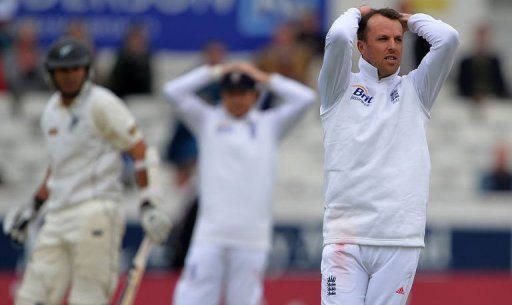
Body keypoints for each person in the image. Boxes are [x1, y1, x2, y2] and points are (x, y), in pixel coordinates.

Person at [2, 37, 172, 305]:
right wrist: (34, 206)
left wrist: (149, 203)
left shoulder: (102, 104)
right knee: (31, 298)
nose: (69, 76)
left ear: (87, 70)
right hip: (58, 215)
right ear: (51, 74)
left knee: (88, 299)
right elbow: (57, 167)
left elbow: (140, 150)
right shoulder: (50, 111)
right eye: (62, 70)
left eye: (75, 69)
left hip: (97, 211)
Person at [318, 6, 459, 305]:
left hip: (399, 239)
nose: (393, 45)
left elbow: (448, 39)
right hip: (346, 238)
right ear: (361, 46)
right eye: (382, 38)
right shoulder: (338, 87)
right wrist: (357, 11)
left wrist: (412, 21)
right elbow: (339, 36)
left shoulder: (416, 89)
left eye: (398, 38)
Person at [163, 61, 315, 305]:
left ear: (254, 95)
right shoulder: (207, 120)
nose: (236, 100)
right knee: (191, 299)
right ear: (222, 95)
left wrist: (262, 76)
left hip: (252, 237)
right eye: (230, 94)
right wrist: (216, 71)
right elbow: (172, 91)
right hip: (210, 235)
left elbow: (305, 98)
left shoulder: (269, 124)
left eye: (242, 93)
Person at [457, 24, 509, 104]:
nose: (482, 39)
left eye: (484, 36)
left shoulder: (495, 61)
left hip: (493, 100)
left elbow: (500, 84)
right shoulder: (466, 62)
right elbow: (462, 84)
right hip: (468, 101)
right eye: (480, 36)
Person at [108, 23, 153, 98]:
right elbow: (117, 85)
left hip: (141, 101)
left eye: (141, 39)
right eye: (135, 38)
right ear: (128, 40)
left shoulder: (147, 60)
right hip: (122, 98)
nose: (138, 42)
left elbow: (147, 88)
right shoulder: (121, 59)